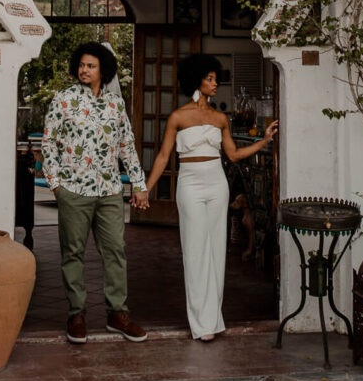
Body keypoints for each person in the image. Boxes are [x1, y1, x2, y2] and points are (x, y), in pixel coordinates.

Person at [146, 53, 278, 341]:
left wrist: (264, 142)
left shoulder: (220, 118)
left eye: (216, 79)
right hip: (190, 184)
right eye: (210, 79)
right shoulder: (178, 117)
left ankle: (213, 319)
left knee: (217, 251)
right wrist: (146, 189)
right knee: (195, 251)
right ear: (197, 80)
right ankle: (200, 323)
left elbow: (232, 155)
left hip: (217, 183)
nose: (215, 84)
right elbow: (164, 156)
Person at [41, 41, 150, 344]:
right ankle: (76, 313)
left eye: (91, 66)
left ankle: (117, 313)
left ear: (104, 69)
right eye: (81, 65)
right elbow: (49, 143)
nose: (84, 70)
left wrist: (139, 184)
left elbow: (127, 145)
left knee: (115, 251)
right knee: (72, 253)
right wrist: (56, 185)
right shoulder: (63, 99)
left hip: (110, 190)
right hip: (73, 191)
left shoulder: (116, 105)